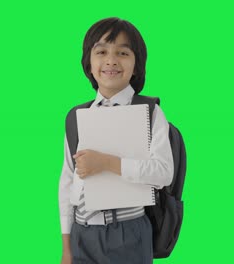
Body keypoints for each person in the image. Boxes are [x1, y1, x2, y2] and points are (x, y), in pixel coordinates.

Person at [59, 17, 174, 264]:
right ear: (89, 63)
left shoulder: (149, 111)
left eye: (123, 52)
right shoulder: (76, 117)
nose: (111, 60)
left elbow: (164, 173)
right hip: (82, 233)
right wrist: (66, 246)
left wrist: (108, 163)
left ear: (137, 65)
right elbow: (67, 182)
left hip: (128, 231)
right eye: (101, 51)